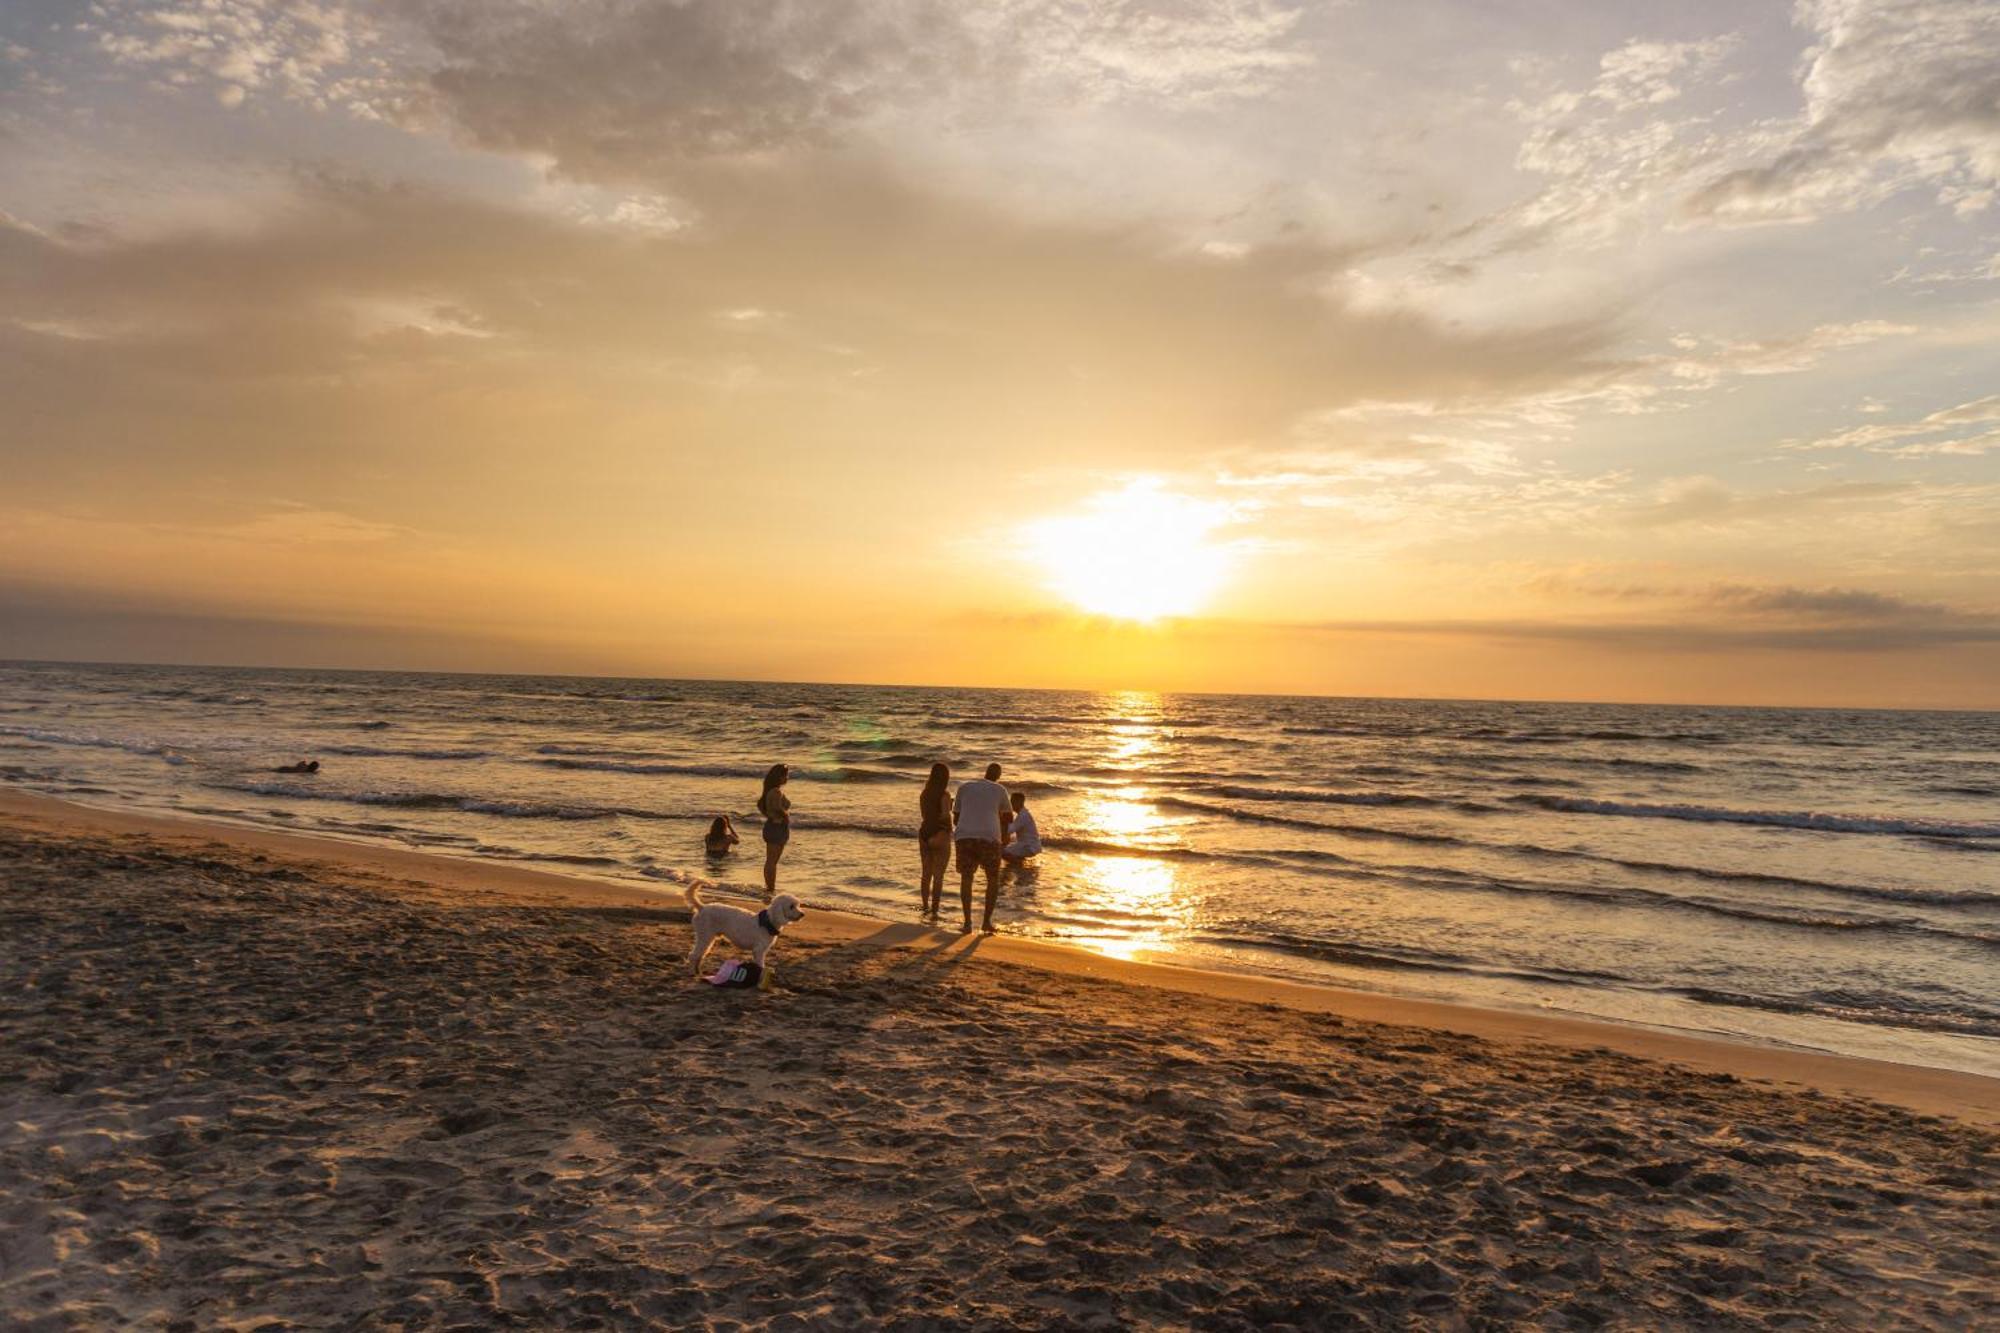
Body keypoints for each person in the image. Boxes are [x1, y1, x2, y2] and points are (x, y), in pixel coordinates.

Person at [952, 762, 1012, 935]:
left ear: (985, 773)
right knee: (992, 878)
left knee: (967, 878)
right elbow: (1008, 818)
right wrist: (1003, 835)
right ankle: (986, 922)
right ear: (998, 776)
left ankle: (967, 923)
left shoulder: (965, 787)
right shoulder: (1000, 790)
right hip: (989, 837)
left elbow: (956, 819)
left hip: (965, 836)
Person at [917, 762, 952, 917]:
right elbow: (944, 815)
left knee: (926, 873)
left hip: (924, 832)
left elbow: (925, 815)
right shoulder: (944, 795)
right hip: (940, 833)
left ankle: (925, 906)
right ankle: (935, 910)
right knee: (938, 875)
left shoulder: (924, 793)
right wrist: (949, 807)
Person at [755, 764, 790, 901]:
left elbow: (760, 805)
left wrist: (768, 815)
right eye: (785, 775)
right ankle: (770, 888)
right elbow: (777, 808)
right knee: (772, 861)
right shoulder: (775, 791)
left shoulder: (769, 791)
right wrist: (785, 816)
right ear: (779, 776)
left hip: (771, 825)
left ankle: (769, 887)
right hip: (777, 827)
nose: (787, 778)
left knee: (770, 860)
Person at [1001, 789, 1041, 864]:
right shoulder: (1023, 814)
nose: (1010, 804)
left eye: (1012, 802)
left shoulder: (1023, 816)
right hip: (1028, 844)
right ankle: (1020, 863)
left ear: (1019, 802)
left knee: (1001, 851)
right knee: (1010, 849)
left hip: (1029, 846)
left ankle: (1018, 864)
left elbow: (1010, 829)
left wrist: (999, 822)